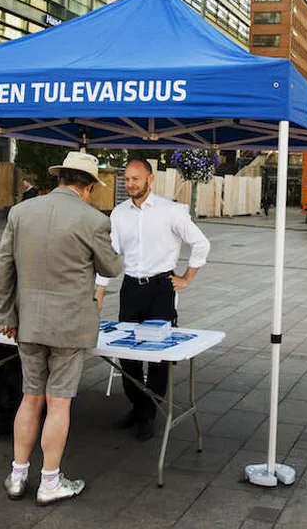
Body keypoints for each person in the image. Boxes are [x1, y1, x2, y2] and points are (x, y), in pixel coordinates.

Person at [0, 152, 122, 504]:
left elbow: (4, 267)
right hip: (70, 326)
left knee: (30, 397)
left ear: (60, 178)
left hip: (28, 322)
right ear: (89, 187)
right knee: (58, 402)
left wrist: (5, 315)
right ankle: (50, 481)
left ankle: (18, 475)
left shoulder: (21, 212)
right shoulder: (94, 220)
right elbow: (111, 269)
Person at [105, 158, 210, 441]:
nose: (130, 184)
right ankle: (139, 407)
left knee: (158, 356)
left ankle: (148, 413)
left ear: (150, 179)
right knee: (127, 354)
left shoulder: (171, 211)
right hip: (130, 288)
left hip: (160, 289)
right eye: (126, 179)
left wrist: (187, 278)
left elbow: (201, 243)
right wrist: (99, 290)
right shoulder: (118, 214)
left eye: (135, 179)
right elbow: (110, 255)